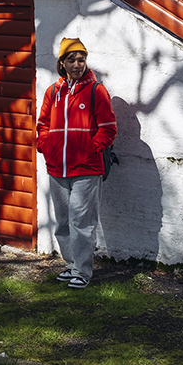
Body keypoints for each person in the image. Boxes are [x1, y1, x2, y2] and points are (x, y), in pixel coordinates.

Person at [36, 37, 116, 289]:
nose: (77, 64)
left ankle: (83, 271)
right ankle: (71, 264)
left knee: (82, 222)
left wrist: (91, 150)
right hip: (57, 167)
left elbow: (108, 129)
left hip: (86, 169)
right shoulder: (53, 92)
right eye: (72, 60)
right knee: (62, 221)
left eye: (81, 59)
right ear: (62, 63)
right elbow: (42, 126)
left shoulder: (96, 91)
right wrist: (45, 147)